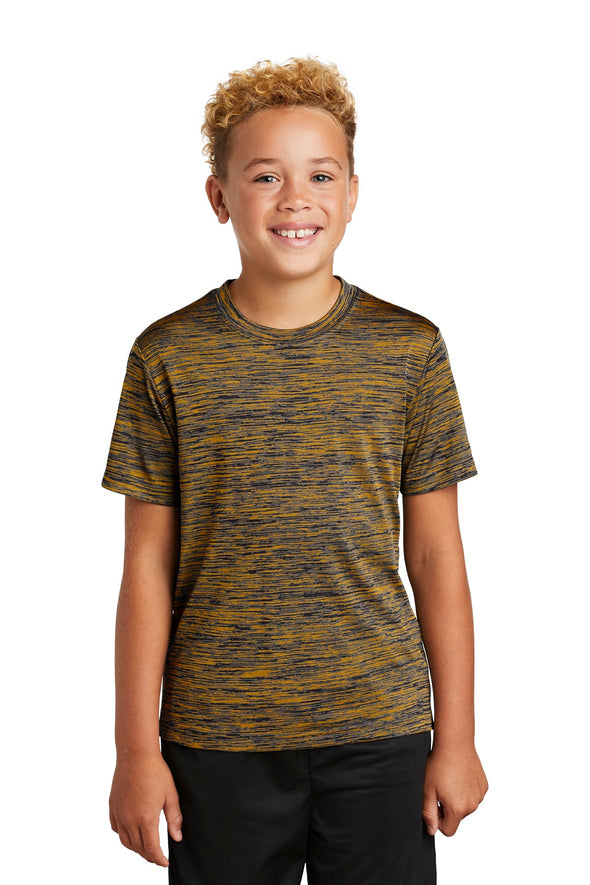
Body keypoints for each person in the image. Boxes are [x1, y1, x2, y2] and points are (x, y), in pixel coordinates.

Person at [103, 57, 488, 885]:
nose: (295, 199)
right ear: (219, 196)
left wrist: (456, 735)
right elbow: (146, 565)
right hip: (216, 737)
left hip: (379, 731)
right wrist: (135, 748)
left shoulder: (410, 350)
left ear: (352, 193)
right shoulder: (167, 356)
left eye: (320, 174)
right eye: (265, 175)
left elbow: (436, 555)